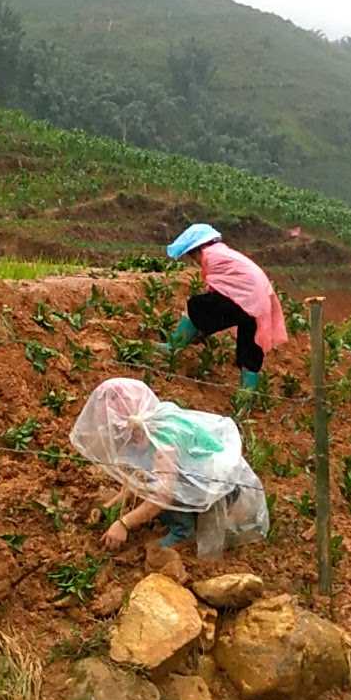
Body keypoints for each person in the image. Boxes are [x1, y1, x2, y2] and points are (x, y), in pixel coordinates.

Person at [70, 378, 269, 558]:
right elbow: (138, 477)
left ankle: (183, 532)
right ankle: (183, 517)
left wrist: (123, 524)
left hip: (219, 490)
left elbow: (162, 495)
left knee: (159, 490)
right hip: (196, 480)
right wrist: (109, 508)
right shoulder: (152, 420)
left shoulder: (164, 441)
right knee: (151, 481)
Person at [158, 223, 289, 391]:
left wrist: (201, 328)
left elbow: (217, 292)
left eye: (192, 255)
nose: (195, 260)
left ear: (198, 249)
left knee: (196, 305)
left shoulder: (212, 256)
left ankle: (173, 346)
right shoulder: (226, 252)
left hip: (246, 300)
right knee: (250, 349)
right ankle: (245, 400)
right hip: (260, 305)